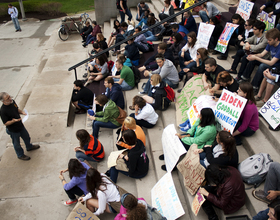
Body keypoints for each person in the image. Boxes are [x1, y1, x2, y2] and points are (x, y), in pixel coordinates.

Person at [0, 92, 40, 160]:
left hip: (20, 125)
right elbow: (5, 123)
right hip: (13, 130)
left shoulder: (12, 102)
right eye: (8, 98)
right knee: (17, 143)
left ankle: (29, 147)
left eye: (9, 96)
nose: (10, 98)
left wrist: (22, 112)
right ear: (3, 101)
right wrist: (13, 121)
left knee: (26, 137)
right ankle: (20, 155)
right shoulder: (3, 111)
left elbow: (16, 109)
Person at [242, 28, 280, 93]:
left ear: (276, 39)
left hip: (277, 66)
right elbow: (262, 54)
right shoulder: (270, 44)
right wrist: (253, 56)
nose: (268, 41)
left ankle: (254, 87)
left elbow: (271, 63)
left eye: (270, 40)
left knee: (262, 66)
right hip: (272, 63)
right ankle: (244, 78)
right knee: (252, 59)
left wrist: (256, 57)